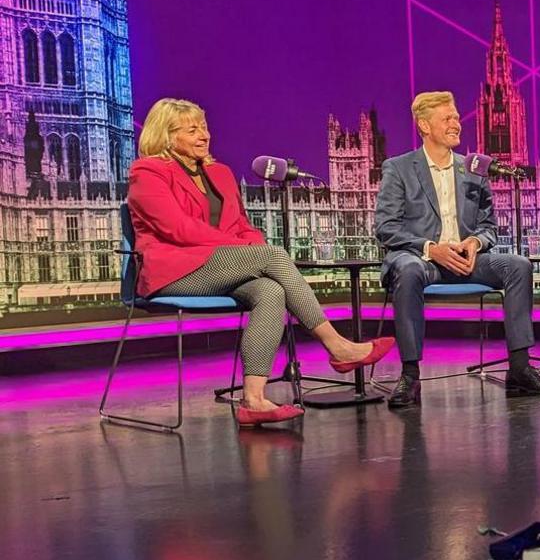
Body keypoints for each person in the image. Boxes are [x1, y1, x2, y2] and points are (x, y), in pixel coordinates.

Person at [128, 98, 391, 427]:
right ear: (167, 136)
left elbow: (242, 226)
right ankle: (337, 346)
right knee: (274, 255)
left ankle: (254, 400)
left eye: (205, 127)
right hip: (174, 270)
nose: (204, 135)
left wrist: (248, 245)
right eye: (192, 129)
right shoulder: (147, 172)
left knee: (270, 291)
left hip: (219, 264)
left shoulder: (220, 174)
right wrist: (245, 250)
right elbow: (177, 229)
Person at [375, 91, 540, 407]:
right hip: (424, 260)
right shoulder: (399, 168)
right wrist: (432, 248)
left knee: (518, 265)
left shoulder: (474, 169)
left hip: (466, 259)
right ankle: (409, 375)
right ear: (424, 125)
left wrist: (474, 243)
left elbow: (489, 228)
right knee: (406, 269)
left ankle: (520, 368)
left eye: (457, 117)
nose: (456, 123)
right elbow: (386, 228)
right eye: (447, 118)